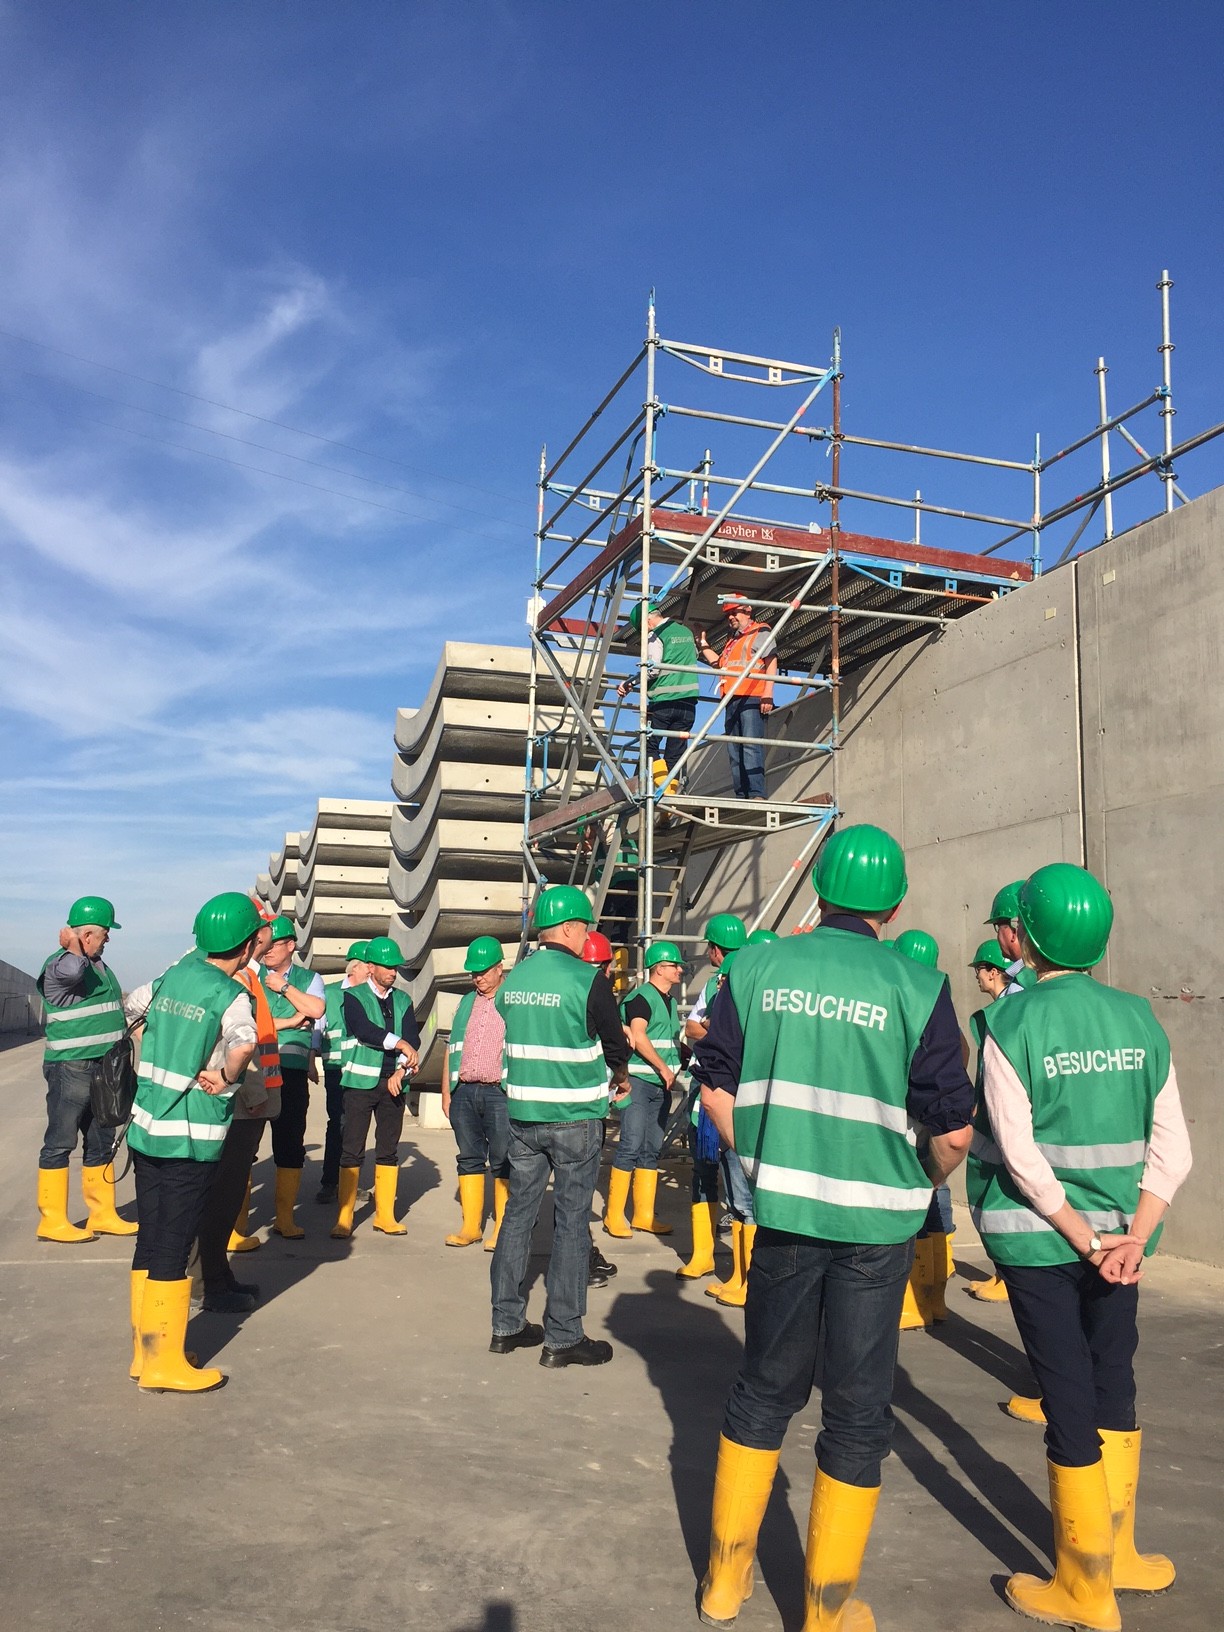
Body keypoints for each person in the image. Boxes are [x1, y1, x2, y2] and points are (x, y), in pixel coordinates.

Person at [693, 824, 974, 1629]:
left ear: (818, 888)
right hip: (876, 1231)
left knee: (761, 1390)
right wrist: (918, 1184)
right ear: (894, 903)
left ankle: (723, 1584)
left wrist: (767, 1159)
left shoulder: (758, 965)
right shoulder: (916, 985)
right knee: (857, 1407)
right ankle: (825, 1611)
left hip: (785, 1214)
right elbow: (952, 1129)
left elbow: (715, 1083)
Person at [966, 863, 1192, 1628]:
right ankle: (1121, 1556)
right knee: (1113, 1381)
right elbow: (1174, 1149)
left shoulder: (1009, 1023)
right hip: (1122, 1244)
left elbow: (1018, 1152)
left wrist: (1080, 1235)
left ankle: (1083, 1586)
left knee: (1065, 1392)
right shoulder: (1138, 1019)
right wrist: (1131, 1234)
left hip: (1042, 1241)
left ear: (1024, 938)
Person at [489, 886, 630, 1367]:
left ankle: (506, 1326)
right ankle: (563, 1337)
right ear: (569, 928)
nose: (587, 934)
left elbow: (511, 1023)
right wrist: (622, 1077)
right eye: (586, 926)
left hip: (524, 1117)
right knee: (571, 1225)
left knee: (517, 1218)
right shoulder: (587, 981)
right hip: (574, 1119)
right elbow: (615, 1043)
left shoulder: (514, 980)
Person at [125, 893, 261, 1392]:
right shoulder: (230, 994)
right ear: (245, 946)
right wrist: (223, 1074)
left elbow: (131, 1008)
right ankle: (165, 1364)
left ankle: (144, 1352)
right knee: (175, 1244)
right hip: (188, 1137)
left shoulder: (173, 977)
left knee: (150, 1236)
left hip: (146, 1128)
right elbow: (245, 1042)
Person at [193, 907, 282, 1312]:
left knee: (224, 1196)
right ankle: (207, 1283)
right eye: (266, 929)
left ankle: (216, 1276)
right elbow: (234, 1047)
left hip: (245, 1101)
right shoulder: (236, 977)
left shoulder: (248, 975)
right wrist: (246, 1090)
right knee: (218, 1195)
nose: (270, 936)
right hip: (239, 1103)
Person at [34, 895, 132, 1243]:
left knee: (101, 1139)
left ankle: (102, 1214)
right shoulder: (63, 963)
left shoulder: (97, 964)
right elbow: (74, 972)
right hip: (70, 1066)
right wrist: (72, 943)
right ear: (86, 935)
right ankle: (52, 1220)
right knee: (60, 1141)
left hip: (102, 1065)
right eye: (104, 933)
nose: (108, 939)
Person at [682, 914, 756, 1301]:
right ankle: (706, 1257)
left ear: (714, 948)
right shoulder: (715, 983)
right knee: (708, 1175)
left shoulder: (741, 982)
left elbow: (704, 1031)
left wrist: (714, 1029)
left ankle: (745, 1279)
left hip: (730, 1096)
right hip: (713, 1094)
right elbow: (691, 1029)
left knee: (742, 1192)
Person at [331, 936, 420, 1239]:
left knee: (388, 1149)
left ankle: (385, 1215)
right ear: (370, 967)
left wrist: (402, 1070)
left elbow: (414, 1040)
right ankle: (344, 1217)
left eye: (395, 967)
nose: (392, 973)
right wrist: (400, 1043)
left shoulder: (404, 1000)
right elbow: (363, 1030)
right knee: (352, 1149)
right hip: (359, 1084)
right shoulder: (354, 997)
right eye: (386, 967)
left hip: (393, 1084)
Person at [894, 928, 956, 1332]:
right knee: (935, 1204)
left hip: (906, 1119)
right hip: (937, 1117)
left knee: (908, 1209)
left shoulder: (902, 997)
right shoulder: (938, 996)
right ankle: (935, 1301)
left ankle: (912, 1304)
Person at [603, 941, 684, 1239]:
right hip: (639, 1081)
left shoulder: (671, 1002)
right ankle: (614, 1216)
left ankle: (644, 1216)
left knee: (651, 1149)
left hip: (660, 1086)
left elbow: (665, 1039)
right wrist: (664, 1067)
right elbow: (638, 1037)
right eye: (675, 965)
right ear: (659, 968)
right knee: (631, 1145)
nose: (679, 970)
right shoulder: (640, 998)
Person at [256, 916, 325, 1238]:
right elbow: (249, 1020)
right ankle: (237, 1224)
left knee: (290, 1143)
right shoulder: (250, 974)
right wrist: (289, 1020)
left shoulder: (308, 979)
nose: (267, 950)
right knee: (244, 1146)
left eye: (274, 944)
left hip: (292, 1074)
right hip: (255, 1071)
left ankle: (285, 1219)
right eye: (264, 944)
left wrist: (284, 988)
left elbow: (315, 1011)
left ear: (291, 946)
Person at [442, 935, 511, 1250]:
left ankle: (501, 1228)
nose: (477, 978)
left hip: (499, 1093)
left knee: (502, 1160)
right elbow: (451, 1048)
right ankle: (471, 1226)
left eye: (483, 971)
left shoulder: (512, 1000)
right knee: (468, 1158)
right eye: (473, 973)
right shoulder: (466, 1002)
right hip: (465, 1092)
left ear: (500, 968)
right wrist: (448, 1092)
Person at [962, 939, 1016, 1307]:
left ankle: (1008, 1275)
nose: (977, 977)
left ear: (993, 971)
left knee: (1001, 1197)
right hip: (992, 1115)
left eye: (980, 969)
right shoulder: (1002, 1009)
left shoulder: (1010, 1010)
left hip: (1002, 1122)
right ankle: (1005, 1273)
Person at [696, 593, 778, 800]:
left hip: (752, 697)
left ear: (747, 611)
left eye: (734, 612)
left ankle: (756, 793)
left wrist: (768, 694)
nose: (731, 617)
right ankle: (742, 795)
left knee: (750, 745)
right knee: (734, 751)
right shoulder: (733, 641)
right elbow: (720, 664)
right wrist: (702, 644)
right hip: (731, 699)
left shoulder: (760, 631)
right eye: (728, 614)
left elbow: (771, 661)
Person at [616, 599, 700, 790]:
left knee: (650, 745)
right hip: (688, 704)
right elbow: (693, 655)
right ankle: (669, 802)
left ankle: (665, 792)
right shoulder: (685, 631)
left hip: (664, 701)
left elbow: (652, 670)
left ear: (646, 622)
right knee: (675, 752)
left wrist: (630, 682)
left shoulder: (655, 636)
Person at [313, 940, 370, 1205]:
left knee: (356, 1128)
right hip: (336, 1070)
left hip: (363, 1071)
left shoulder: (371, 996)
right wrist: (310, 1060)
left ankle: (350, 1183)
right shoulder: (331, 994)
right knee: (337, 1124)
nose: (373, 973)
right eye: (369, 968)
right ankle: (330, 1182)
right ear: (355, 969)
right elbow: (317, 1028)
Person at [581, 929, 620, 1290]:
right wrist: (621, 1076)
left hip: (545, 1109)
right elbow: (614, 1047)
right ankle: (580, 1262)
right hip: (582, 1113)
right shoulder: (596, 991)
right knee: (576, 1199)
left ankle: (585, 1254)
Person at [988, 880, 1039, 995]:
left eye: (998, 926)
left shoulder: (1018, 987)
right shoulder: (1063, 975)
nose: (997, 936)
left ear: (1014, 930)